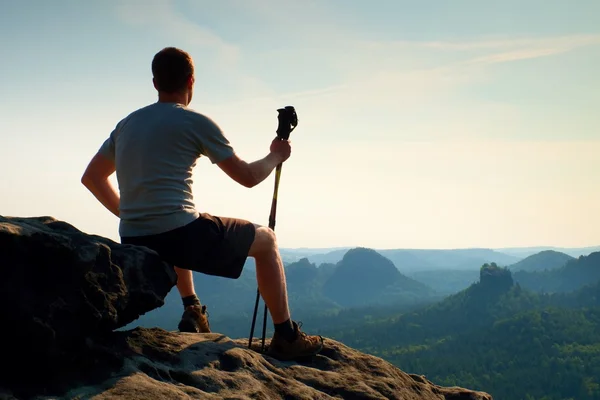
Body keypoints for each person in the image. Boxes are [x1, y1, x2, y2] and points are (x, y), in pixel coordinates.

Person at [81, 47, 323, 360]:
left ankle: (192, 308)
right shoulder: (196, 122)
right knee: (266, 241)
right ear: (191, 80)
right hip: (179, 236)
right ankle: (287, 336)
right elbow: (248, 177)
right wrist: (276, 154)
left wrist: (129, 213)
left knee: (186, 218)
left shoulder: (127, 125)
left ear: (155, 83)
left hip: (134, 236)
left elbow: (92, 178)